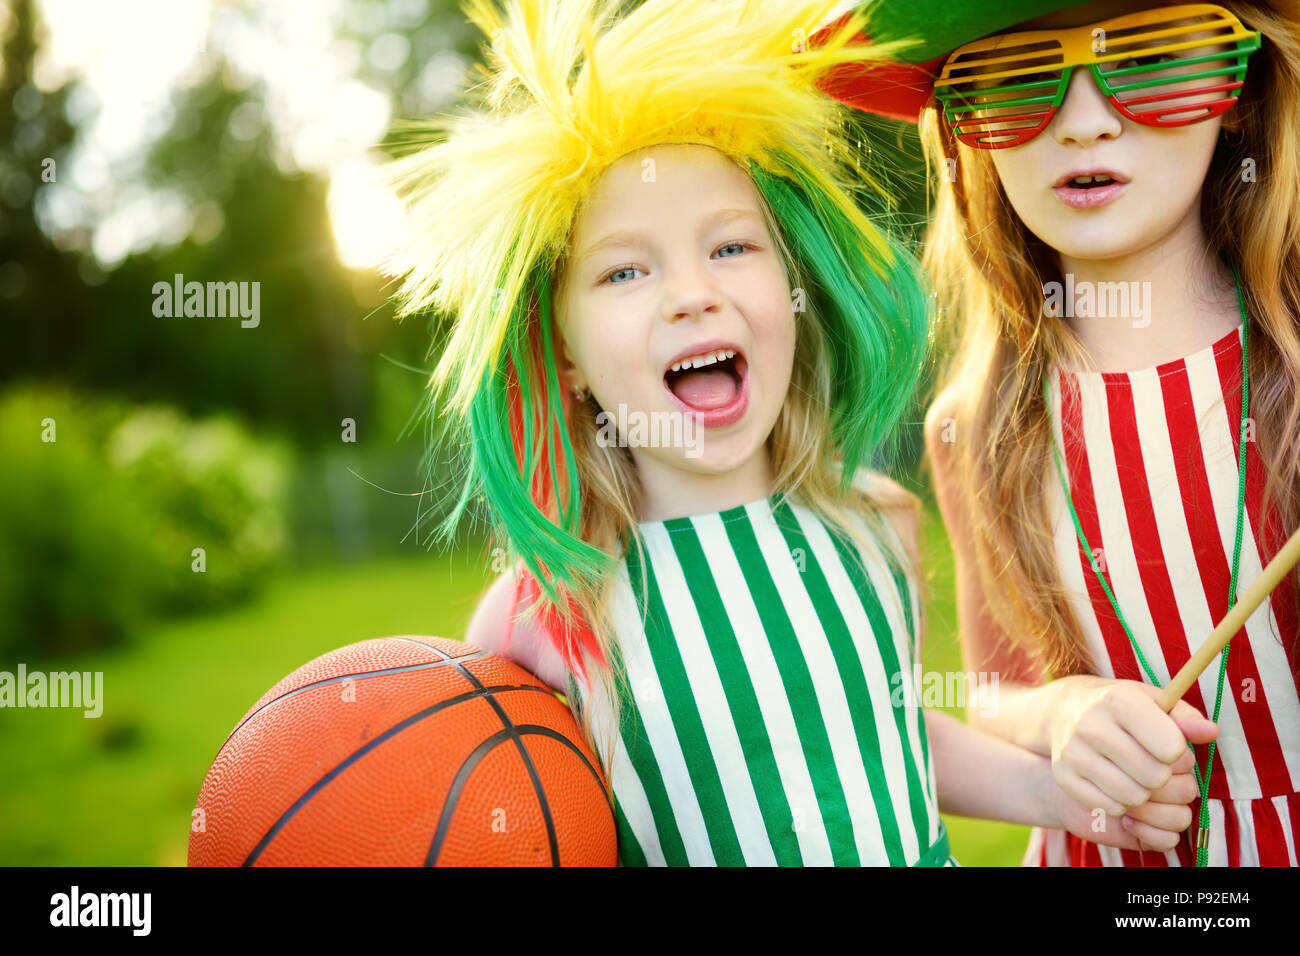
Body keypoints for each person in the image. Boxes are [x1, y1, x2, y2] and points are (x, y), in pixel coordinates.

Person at [385, 0, 1199, 865]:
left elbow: (884, 740)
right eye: (625, 269)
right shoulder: (541, 617)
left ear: (794, 291)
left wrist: (1054, 794)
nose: (693, 294)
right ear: (565, 354)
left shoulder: (874, 525)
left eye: (732, 248)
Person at [822, 0, 1300, 865]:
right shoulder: (978, 423)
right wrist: (1062, 712)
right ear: (968, 132)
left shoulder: (1292, 365)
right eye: (1018, 78)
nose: (1083, 122)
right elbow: (990, 689)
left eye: (1150, 56)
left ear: (1237, 83)